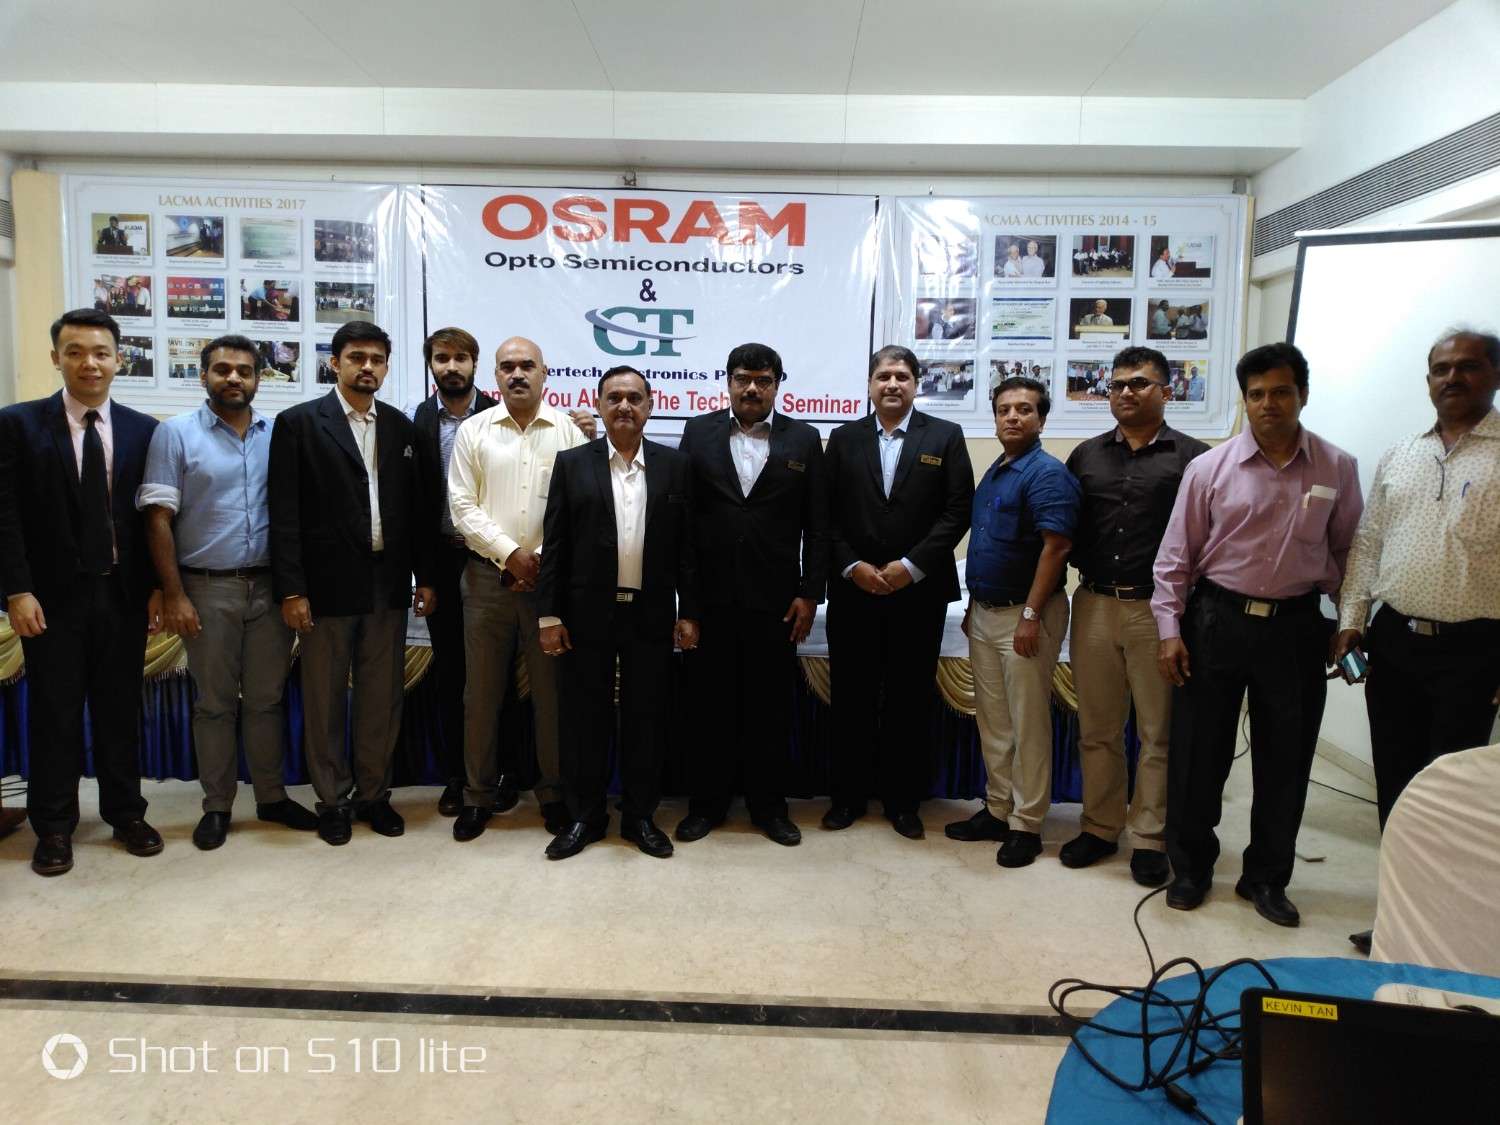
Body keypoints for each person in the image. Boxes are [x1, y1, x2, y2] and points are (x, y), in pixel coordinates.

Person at [1153, 342, 1362, 927]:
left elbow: (1349, 553)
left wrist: (1349, 622)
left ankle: (1267, 877)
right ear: (1245, 400)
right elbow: (1175, 559)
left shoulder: (1337, 467)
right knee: (1199, 756)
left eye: (1281, 392)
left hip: (1296, 628)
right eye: (1257, 394)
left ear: (1303, 395)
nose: (1269, 404)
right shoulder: (1209, 468)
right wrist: (1169, 631)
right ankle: (1191, 868)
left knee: (1286, 759)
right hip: (1216, 621)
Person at [1333, 328, 1500, 954]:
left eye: (1468, 367)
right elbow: (1369, 542)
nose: (1452, 378)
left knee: (1451, 794)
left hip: (1475, 649)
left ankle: (1446, 930)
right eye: (1441, 368)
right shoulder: (1401, 453)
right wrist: (1351, 619)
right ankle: (1398, 919)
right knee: (1398, 786)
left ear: (1495, 375)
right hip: (1395, 642)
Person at [0, 309, 164, 876]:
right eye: (75, 352)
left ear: (119, 360)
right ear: (56, 358)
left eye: (100, 352)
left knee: (121, 711)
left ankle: (126, 814)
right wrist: (17, 591)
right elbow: (5, 515)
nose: (88, 363)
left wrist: (157, 589)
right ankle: (53, 827)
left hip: (123, 596)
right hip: (51, 601)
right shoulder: (18, 424)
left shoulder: (144, 430)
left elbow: (150, 520)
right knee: (55, 714)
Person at [137, 334, 317, 850]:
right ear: (204, 376)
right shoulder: (175, 434)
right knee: (214, 704)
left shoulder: (278, 434)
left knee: (266, 700)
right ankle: (216, 805)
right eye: (222, 369)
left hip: (270, 588)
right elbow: (157, 518)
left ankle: (271, 797)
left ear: (259, 379)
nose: (234, 378)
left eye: (244, 370)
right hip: (205, 587)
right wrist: (173, 593)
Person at [268, 321, 437, 845]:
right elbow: (284, 514)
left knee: (381, 697)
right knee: (323, 700)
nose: (367, 367)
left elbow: (418, 510)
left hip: (388, 583)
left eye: (377, 359)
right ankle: (333, 801)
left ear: (386, 366)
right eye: (356, 357)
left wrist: (426, 577)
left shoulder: (401, 428)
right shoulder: (299, 424)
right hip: (324, 588)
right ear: (334, 363)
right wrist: (292, 589)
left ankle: (373, 795)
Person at [536, 366, 700, 860]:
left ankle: (640, 817)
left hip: (650, 612)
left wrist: (689, 611)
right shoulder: (572, 463)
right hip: (587, 613)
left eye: (634, 397)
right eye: (614, 397)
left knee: (646, 717)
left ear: (650, 405)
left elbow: (688, 549)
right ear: (599, 404)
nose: (624, 406)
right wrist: (549, 616)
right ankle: (585, 817)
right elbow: (555, 543)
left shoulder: (676, 466)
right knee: (584, 718)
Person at [1061, 347, 1208, 885]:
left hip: (1159, 610)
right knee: (1097, 728)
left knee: (1157, 732)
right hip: (1095, 603)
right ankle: (1100, 827)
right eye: (1118, 384)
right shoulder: (1086, 455)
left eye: (1140, 383)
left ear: (1167, 392)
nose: (1126, 392)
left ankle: (1149, 836)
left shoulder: (1195, 458)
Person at [674, 343, 829, 847]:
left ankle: (769, 807)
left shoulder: (804, 439)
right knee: (708, 709)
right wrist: (687, 604)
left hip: (776, 601)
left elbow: (818, 526)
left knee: (769, 710)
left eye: (763, 380)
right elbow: (683, 523)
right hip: (711, 600)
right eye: (743, 378)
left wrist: (810, 593)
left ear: (778, 384)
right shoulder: (698, 433)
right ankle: (706, 805)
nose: (752, 388)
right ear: (728, 382)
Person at [446, 336, 594, 842]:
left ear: (544, 373)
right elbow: (461, 505)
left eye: (527, 365)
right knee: (481, 695)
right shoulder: (474, 431)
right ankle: (477, 796)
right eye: (507, 366)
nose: (517, 374)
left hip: (550, 585)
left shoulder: (569, 432)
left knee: (552, 696)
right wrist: (510, 553)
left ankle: (553, 794)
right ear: (495, 375)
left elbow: (581, 506)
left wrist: (541, 561)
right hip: (487, 579)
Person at [823, 345, 973, 838]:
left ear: (916, 384)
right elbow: (824, 513)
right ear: (870, 384)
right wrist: (852, 566)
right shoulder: (843, 439)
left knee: (909, 699)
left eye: (902, 376)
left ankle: (903, 802)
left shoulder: (945, 436)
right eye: (884, 376)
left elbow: (958, 509)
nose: (892, 384)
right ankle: (847, 798)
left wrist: (911, 566)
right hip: (854, 591)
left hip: (918, 594)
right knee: (852, 697)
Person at [946, 376, 1078, 866]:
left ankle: (1026, 823)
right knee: (995, 722)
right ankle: (998, 809)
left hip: (1026, 616)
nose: (1013, 417)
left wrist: (1029, 615)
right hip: (985, 612)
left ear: (1041, 419)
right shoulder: (997, 472)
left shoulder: (1046, 474)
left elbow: (1056, 547)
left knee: (1027, 725)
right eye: (1004, 410)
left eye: (1024, 409)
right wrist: (974, 608)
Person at [406, 327, 499, 817]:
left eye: (461, 357)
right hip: (442, 559)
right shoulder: (417, 420)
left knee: (496, 673)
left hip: (491, 559)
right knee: (452, 675)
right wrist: (423, 576)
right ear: (431, 365)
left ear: (475, 364)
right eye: (442, 358)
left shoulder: (500, 415)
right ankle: (456, 777)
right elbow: (416, 507)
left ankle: (499, 773)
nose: (452, 367)